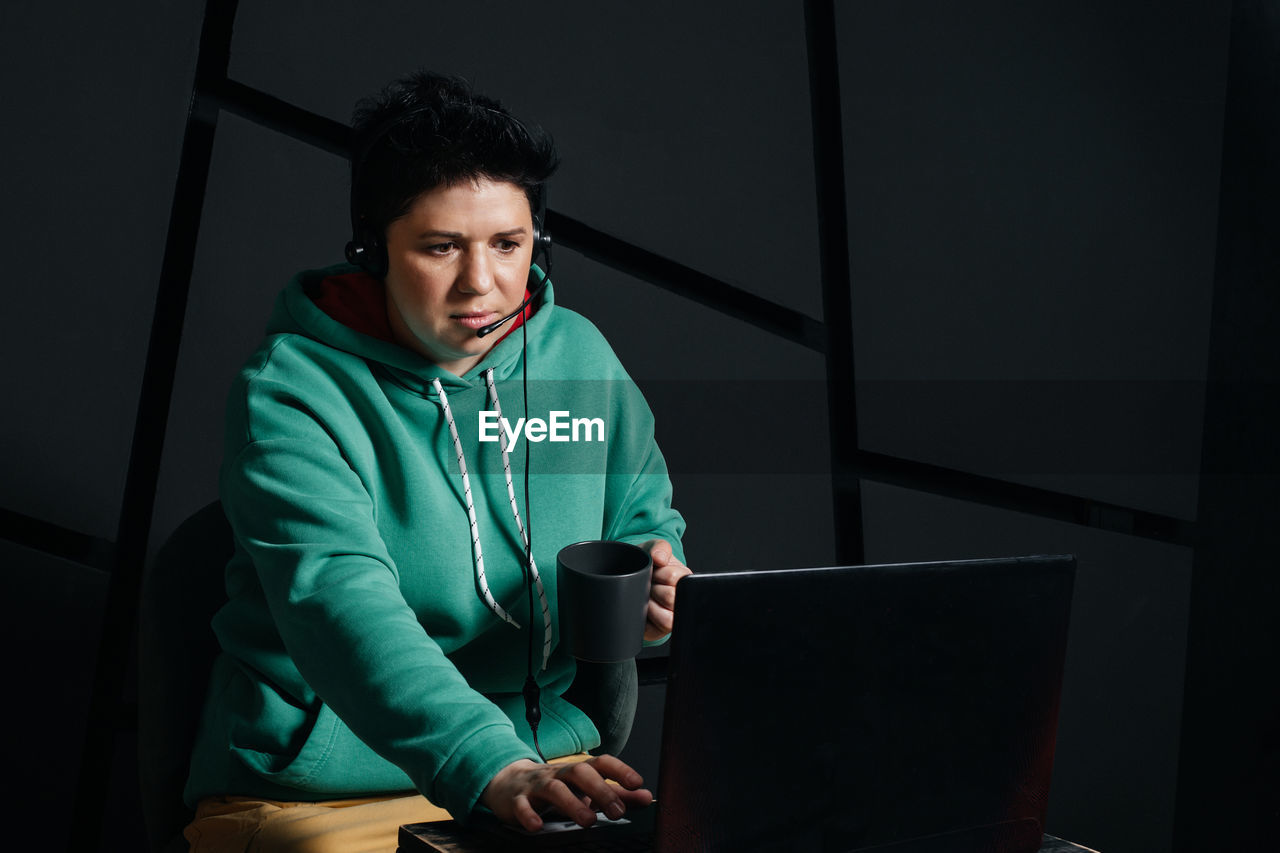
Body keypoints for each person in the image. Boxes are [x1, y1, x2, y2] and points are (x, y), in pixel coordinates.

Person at [182, 71, 690, 852]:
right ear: (372, 248)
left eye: (508, 245)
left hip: (546, 768)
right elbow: (344, 609)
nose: (481, 283)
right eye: (441, 246)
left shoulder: (577, 358)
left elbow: (639, 516)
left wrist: (663, 576)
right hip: (322, 791)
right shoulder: (292, 393)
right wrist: (488, 762)